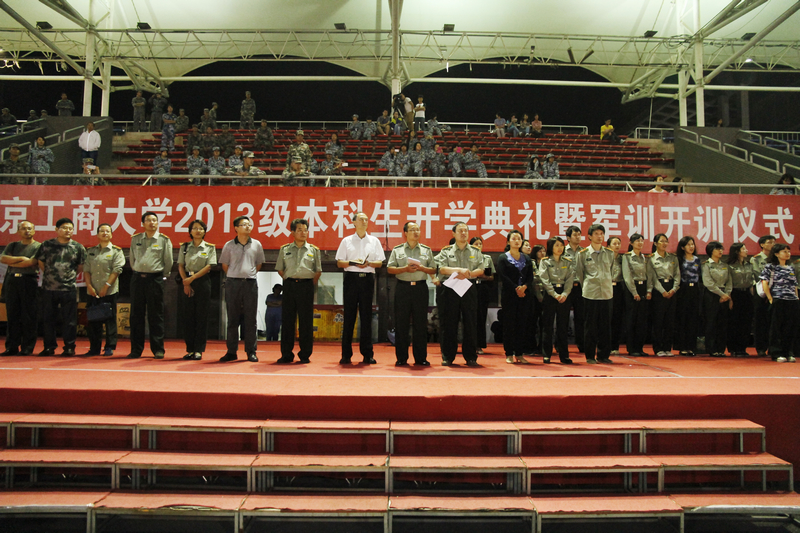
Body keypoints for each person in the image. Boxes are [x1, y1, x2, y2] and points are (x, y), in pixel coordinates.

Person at [336, 212, 386, 364]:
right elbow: (340, 262)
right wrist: (354, 263)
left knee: (366, 317)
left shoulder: (374, 241)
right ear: (354, 222)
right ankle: (346, 355)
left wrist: (368, 264)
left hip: (367, 279)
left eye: (366, 219)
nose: (364, 222)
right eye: (361, 219)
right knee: (349, 317)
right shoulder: (346, 241)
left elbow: (380, 263)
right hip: (351, 279)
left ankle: (367, 354)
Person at [434, 222, 485, 366]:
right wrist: (458, 271)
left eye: (465, 231)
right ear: (453, 233)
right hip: (450, 288)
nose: (463, 233)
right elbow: (442, 269)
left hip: (468, 287)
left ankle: (470, 356)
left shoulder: (475, 251)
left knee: (470, 322)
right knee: (449, 322)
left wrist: (469, 274)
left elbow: (481, 269)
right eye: (460, 231)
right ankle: (448, 356)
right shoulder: (446, 251)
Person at [35, 218, 86, 356]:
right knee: (48, 319)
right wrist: (51, 274)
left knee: (70, 320)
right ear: (57, 230)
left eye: (70, 228)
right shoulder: (47, 245)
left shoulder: (78, 247)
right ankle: (49, 347)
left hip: (69, 288)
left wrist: (68, 276)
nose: (68, 230)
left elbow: (80, 266)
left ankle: (69, 347)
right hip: (49, 288)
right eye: (64, 228)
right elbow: (41, 262)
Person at [387, 222, 436, 366]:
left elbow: (433, 269)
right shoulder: (398, 250)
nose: (416, 232)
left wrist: (422, 268)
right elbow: (390, 269)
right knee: (401, 323)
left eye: (417, 229)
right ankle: (401, 358)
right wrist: (405, 269)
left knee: (420, 324)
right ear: (405, 233)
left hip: (420, 288)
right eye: (412, 230)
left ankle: (421, 358)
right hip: (403, 288)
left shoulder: (426, 250)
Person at [273, 219, 321, 363]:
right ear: (292, 232)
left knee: (306, 321)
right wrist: (291, 279)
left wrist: (306, 282)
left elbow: (317, 271)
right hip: (289, 286)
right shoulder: (285, 249)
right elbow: (280, 269)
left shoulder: (314, 250)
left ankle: (305, 354)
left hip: (306, 287)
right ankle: (286, 354)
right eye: (299, 230)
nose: (303, 233)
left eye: (305, 230)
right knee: (288, 321)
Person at [128, 212, 173, 359]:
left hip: (155, 279)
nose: (152, 223)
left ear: (158, 223)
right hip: (137, 280)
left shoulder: (164, 240)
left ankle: (158, 349)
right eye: (148, 220)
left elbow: (168, 261)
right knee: (136, 315)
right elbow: (132, 259)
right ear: (143, 224)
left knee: (156, 315)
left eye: (154, 220)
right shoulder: (136, 239)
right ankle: (136, 349)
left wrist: (162, 275)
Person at [219, 216, 264, 362]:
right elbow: (225, 265)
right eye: (244, 224)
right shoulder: (229, 245)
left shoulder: (256, 244)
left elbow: (258, 264)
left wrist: (247, 274)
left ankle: (251, 351)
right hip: (233, 283)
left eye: (249, 224)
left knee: (251, 319)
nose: (248, 227)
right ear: (236, 228)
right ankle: (231, 351)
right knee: (233, 319)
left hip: (250, 283)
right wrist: (235, 275)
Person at [575, 224, 615, 364]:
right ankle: (590, 355)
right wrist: (588, 285)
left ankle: (604, 355)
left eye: (601, 233)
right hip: (590, 294)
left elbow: (611, 271)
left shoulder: (609, 253)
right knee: (590, 326)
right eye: (596, 233)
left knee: (605, 326)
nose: (600, 236)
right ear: (589, 236)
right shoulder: (583, 254)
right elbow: (580, 274)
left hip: (606, 293)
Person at [83, 223, 125, 356]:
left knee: (110, 319)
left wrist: (106, 286)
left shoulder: (116, 251)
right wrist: (89, 286)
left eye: (107, 231)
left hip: (109, 290)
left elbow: (117, 270)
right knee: (93, 320)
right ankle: (94, 348)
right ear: (97, 234)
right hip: (93, 291)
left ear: (111, 234)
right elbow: (86, 270)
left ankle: (109, 347)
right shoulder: (90, 251)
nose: (105, 233)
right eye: (102, 231)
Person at [0, 221, 41, 356]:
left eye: (29, 228)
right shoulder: (13, 245)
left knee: (28, 315)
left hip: (28, 280)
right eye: (23, 228)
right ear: (18, 231)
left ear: (34, 230)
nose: (27, 231)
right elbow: (3, 259)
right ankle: (11, 346)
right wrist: (21, 258)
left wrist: (14, 261)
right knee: (12, 314)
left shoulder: (38, 246)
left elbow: (31, 262)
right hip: (12, 281)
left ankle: (27, 347)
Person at [178, 219, 217, 361]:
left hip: (202, 281)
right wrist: (186, 282)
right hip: (186, 282)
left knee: (201, 316)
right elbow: (180, 265)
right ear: (190, 231)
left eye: (201, 228)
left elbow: (209, 266)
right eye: (195, 228)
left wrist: (192, 279)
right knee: (188, 316)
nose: (198, 231)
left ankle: (199, 350)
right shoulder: (184, 247)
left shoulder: (209, 247)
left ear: (205, 231)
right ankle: (190, 349)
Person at [497, 230, 533, 364]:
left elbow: (530, 276)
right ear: (508, 241)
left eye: (519, 239)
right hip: (509, 295)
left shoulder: (527, 258)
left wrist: (524, 287)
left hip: (524, 295)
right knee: (509, 324)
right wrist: (515, 288)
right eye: (514, 238)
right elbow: (503, 276)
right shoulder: (503, 258)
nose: (517, 241)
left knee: (522, 324)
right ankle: (509, 353)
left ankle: (519, 353)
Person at [538, 236, 574, 364]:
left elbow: (570, 279)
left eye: (561, 245)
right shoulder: (545, 261)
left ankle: (564, 355)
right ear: (551, 247)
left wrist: (565, 293)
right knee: (548, 325)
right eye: (557, 245)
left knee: (563, 326)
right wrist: (554, 294)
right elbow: (544, 279)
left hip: (564, 294)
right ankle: (546, 354)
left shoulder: (567, 261)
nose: (560, 248)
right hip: (550, 294)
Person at [761, 243, 798, 363]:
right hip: (778, 299)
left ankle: (788, 352)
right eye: (784, 251)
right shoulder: (770, 267)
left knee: (790, 327)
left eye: (788, 251)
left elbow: (794, 285)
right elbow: (765, 282)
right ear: (777, 254)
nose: (788, 254)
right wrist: (770, 298)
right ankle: (776, 353)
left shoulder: (790, 268)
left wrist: (796, 297)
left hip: (792, 300)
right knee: (776, 327)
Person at [647, 233, 679, 357]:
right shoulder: (651, 258)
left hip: (672, 289)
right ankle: (658, 348)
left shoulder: (673, 258)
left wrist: (674, 289)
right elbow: (652, 277)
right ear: (655, 243)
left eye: (666, 241)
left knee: (670, 321)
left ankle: (667, 348)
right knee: (658, 321)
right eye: (661, 241)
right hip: (659, 290)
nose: (664, 243)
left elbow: (677, 275)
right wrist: (662, 291)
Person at [702, 241, 732, 357]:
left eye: (721, 249)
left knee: (722, 322)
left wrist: (727, 294)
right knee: (711, 322)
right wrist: (721, 294)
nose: (720, 251)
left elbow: (729, 282)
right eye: (717, 249)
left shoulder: (725, 265)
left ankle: (721, 348)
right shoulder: (706, 265)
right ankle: (711, 348)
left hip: (725, 295)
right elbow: (708, 283)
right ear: (711, 251)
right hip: (712, 295)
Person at [622, 233, 649, 357]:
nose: (640, 243)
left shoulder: (644, 257)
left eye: (641, 240)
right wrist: (634, 292)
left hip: (643, 287)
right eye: (637, 241)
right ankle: (632, 348)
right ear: (631, 243)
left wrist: (648, 290)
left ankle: (640, 347)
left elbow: (648, 275)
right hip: (632, 289)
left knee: (642, 320)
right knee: (631, 319)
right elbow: (627, 276)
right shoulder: (627, 257)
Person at [726, 242, 754, 358]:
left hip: (747, 294)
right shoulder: (730, 265)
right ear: (737, 251)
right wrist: (730, 298)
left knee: (746, 322)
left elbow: (752, 281)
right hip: (735, 293)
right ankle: (733, 348)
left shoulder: (748, 265)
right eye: (743, 249)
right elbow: (728, 282)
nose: (746, 251)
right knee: (734, 321)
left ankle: (742, 347)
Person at [674, 236, 701, 356]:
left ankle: (691, 346)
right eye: (688, 244)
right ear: (682, 247)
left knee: (693, 318)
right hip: (683, 289)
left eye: (692, 244)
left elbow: (700, 275)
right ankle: (682, 346)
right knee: (682, 318)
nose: (691, 246)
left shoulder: (697, 260)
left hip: (695, 289)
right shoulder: (679, 259)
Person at [469, 236, 495, 355]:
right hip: (470, 286)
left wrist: (483, 275)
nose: (478, 246)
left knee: (481, 316)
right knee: (470, 316)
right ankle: (469, 344)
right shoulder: (468, 256)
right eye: (476, 244)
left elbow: (491, 276)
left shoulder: (487, 258)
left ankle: (479, 344)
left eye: (480, 244)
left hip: (483, 287)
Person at [751, 235, 776, 357]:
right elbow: (757, 275)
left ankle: (773, 347)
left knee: (773, 321)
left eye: (774, 242)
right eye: (770, 242)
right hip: (761, 291)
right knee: (760, 320)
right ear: (762, 245)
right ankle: (761, 347)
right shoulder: (756, 259)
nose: (773, 244)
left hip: (775, 292)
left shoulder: (776, 258)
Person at [563, 226, 585, 353]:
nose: (578, 237)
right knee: (563, 316)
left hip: (581, 288)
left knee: (581, 317)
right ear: (568, 237)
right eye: (575, 235)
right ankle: (561, 345)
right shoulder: (563, 251)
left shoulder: (584, 251)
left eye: (579, 234)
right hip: (567, 287)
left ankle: (582, 344)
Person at [607, 236, 624, 356]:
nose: (617, 246)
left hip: (619, 288)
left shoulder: (623, 259)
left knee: (617, 317)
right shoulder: (605, 257)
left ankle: (615, 345)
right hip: (607, 288)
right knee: (607, 317)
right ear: (608, 246)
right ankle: (605, 345)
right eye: (614, 243)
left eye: (619, 243)